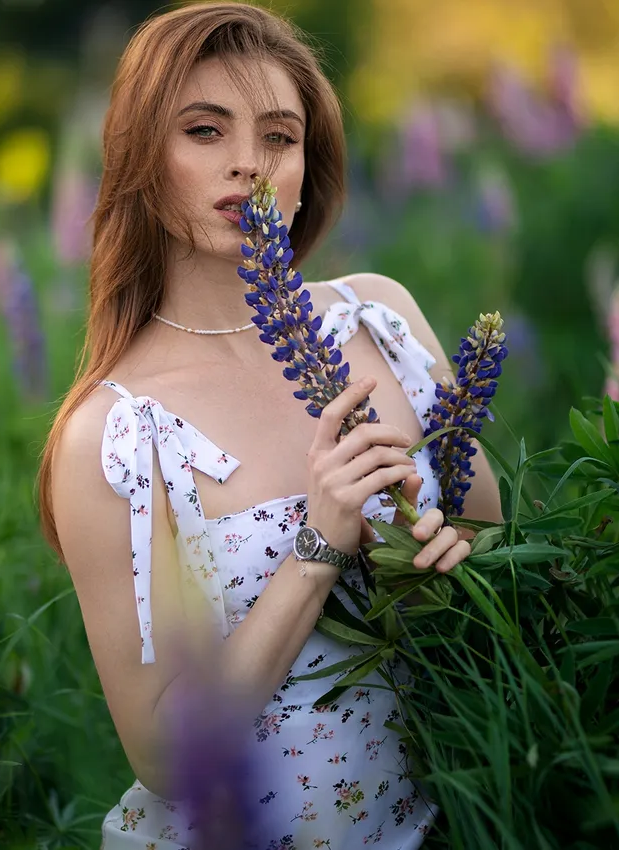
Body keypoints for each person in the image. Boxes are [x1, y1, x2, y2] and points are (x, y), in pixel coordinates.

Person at [37, 4, 502, 847]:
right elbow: (166, 754)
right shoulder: (114, 435)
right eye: (205, 130)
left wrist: (444, 559)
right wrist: (320, 544)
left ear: (305, 165)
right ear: (143, 156)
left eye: (279, 137)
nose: (248, 164)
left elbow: (498, 543)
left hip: (450, 818)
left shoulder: (381, 320)